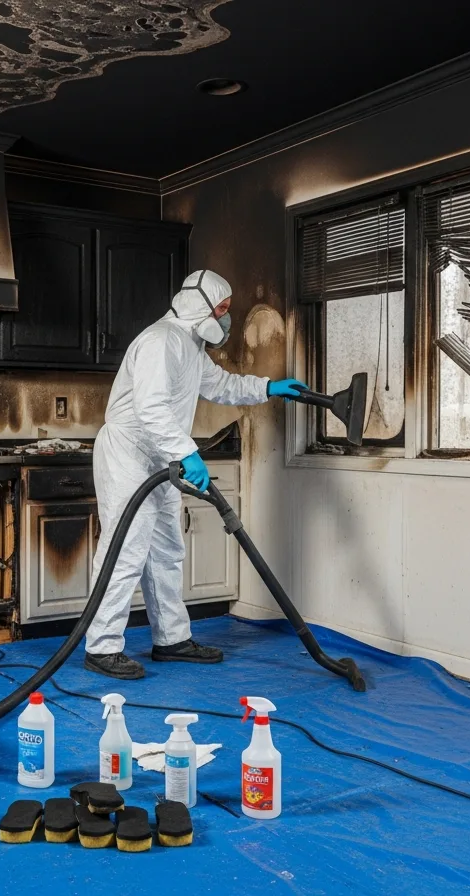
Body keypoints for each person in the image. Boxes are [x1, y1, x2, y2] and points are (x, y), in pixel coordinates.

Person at [83, 269, 308, 680]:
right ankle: (101, 647)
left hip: (159, 458)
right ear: (200, 306)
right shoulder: (160, 341)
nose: (226, 317)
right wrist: (188, 453)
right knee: (125, 551)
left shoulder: (189, 346)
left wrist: (268, 389)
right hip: (129, 454)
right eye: (222, 309)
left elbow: (220, 385)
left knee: (167, 551)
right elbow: (150, 408)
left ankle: (171, 639)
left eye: (227, 310)